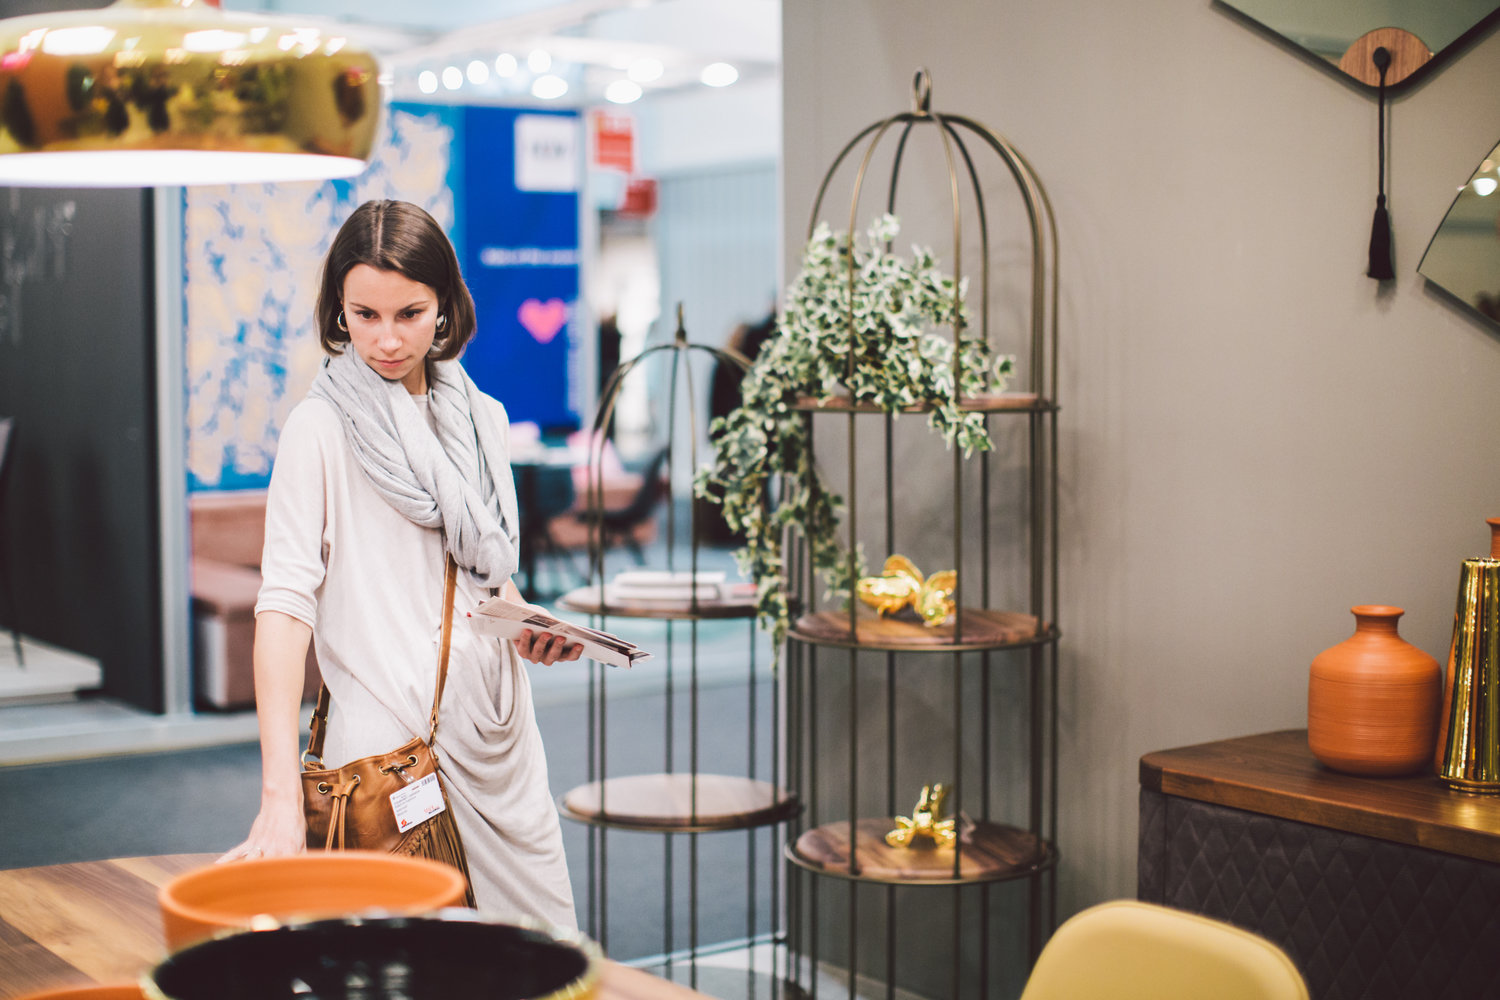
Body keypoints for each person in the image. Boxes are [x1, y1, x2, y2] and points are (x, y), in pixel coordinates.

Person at [219, 199, 581, 930]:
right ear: (339, 309)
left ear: (445, 304)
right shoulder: (319, 429)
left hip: (499, 736)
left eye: (410, 314)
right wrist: (279, 796)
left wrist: (523, 620)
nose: (386, 339)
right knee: (410, 966)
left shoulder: (482, 417)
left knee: (543, 954)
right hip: (389, 756)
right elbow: (285, 607)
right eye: (365, 314)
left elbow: (481, 573)